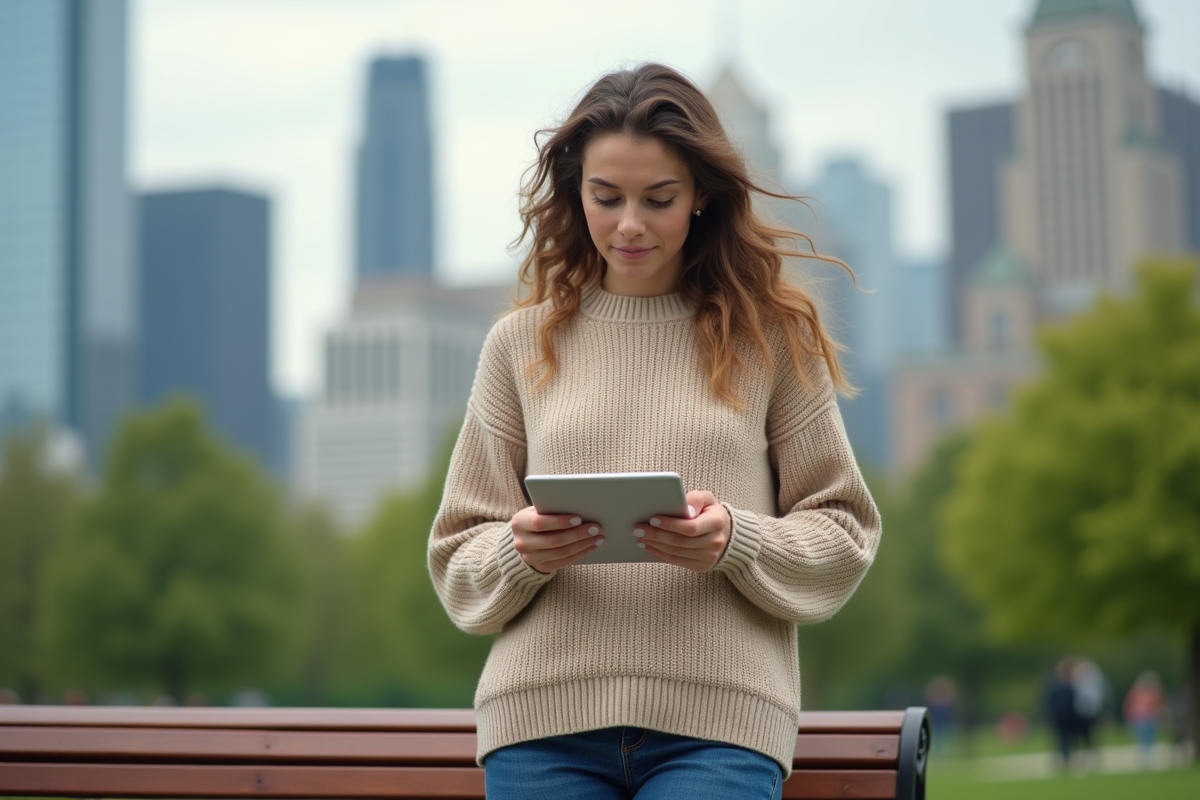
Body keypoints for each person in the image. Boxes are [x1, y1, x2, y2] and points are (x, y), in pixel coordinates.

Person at [428, 62, 881, 799]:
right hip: (540, 727)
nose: (629, 223)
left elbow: (845, 530)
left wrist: (737, 539)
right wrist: (521, 551)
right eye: (606, 197)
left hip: (721, 730)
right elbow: (455, 557)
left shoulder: (771, 340)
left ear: (702, 195)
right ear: (576, 193)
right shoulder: (517, 344)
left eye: (658, 199)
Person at [1123, 670, 1164, 767]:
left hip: (1150, 718)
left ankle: (1147, 757)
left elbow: (1160, 706)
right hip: (1140, 719)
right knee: (1142, 738)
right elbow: (1129, 706)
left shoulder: (1155, 693)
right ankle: (1144, 757)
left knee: (1149, 738)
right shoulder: (1136, 693)